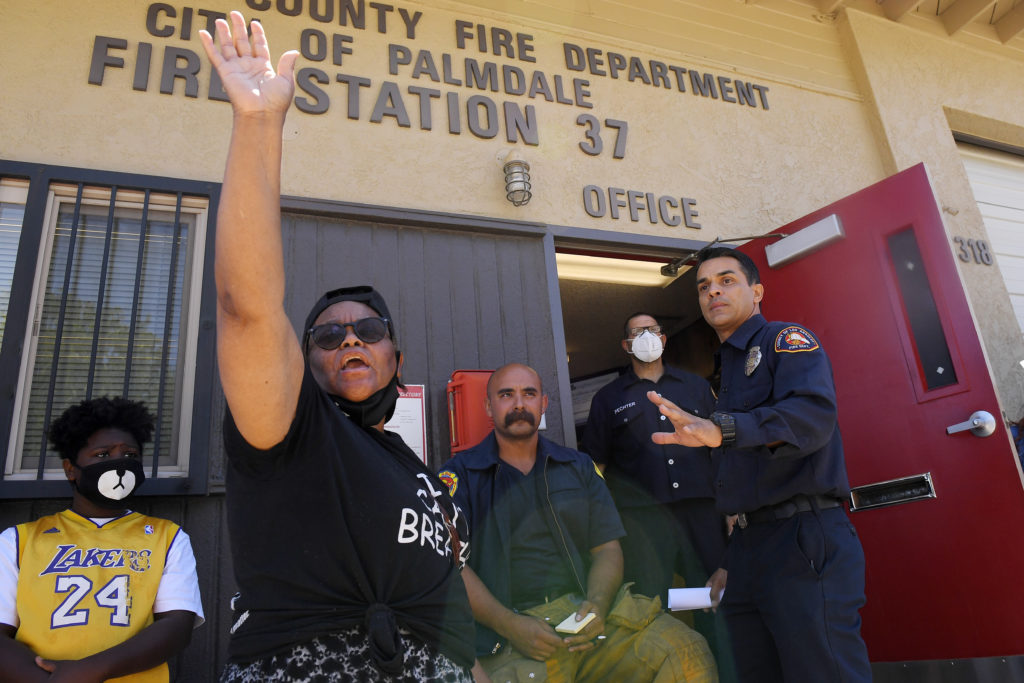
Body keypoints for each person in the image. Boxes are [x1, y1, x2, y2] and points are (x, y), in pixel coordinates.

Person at [198, 12, 480, 682]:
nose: (350, 337)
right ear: (307, 360)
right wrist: (260, 124)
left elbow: (442, 589)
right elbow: (248, 309)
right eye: (328, 333)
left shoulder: (406, 461)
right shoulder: (289, 433)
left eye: (369, 329)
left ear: (396, 359)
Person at [648, 246, 872, 683]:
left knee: (823, 673)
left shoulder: (784, 340)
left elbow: (810, 419)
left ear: (757, 290)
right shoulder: (725, 373)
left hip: (803, 538)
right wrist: (733, 559)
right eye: (704, 287)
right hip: (750, 548)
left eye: (726, 280)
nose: (713, 291)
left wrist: (721, 431)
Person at [439, 363, 716, 683]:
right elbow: (450, 567)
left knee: (687, 652)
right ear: (489, 406)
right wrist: (509, 625)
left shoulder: (578, 466)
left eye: (529, 394)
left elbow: (607, 548)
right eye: (506, 395)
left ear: (543, 404)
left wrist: (597, 606)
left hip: (585, 618)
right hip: (509, 633)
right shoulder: (459, 475)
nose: (518, 404)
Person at [0, 397, 204, 683]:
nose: (120, 463)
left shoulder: (168, 537)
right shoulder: (18, 541)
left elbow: (177, 627)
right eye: (102, 455)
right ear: (70, 469)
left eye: (130, 455)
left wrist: (88, 671)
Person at [581, 312, 731, 675]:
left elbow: (723, 450)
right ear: (625, 345)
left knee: (719, 598)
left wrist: (732, 512)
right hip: (642, 520)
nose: (646, 337)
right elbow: (593, 468)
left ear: (663, 340)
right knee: (650, 605)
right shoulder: (607, 398)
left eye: (652, 331)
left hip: (702, 512)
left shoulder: (695, 387)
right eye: (637, 333)